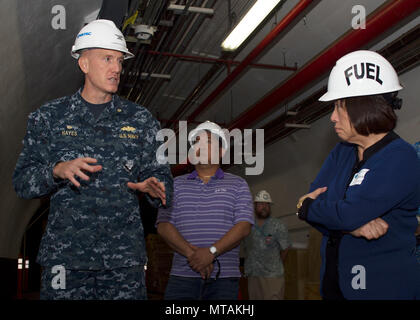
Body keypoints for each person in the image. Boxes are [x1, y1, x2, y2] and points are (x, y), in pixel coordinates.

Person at [12, 19, 173, 300]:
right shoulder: (48, 117)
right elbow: (23, 182)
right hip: (66, 260)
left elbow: (165, 183)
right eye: (107, 58)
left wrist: (154, 186)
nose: (117, 69)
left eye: (120, 61)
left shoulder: (143, 120)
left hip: (123, 263)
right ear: (84, 63)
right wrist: (56, 170)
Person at [296, 50, 420, 299]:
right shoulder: (342, 152)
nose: (332, 117)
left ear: (361, 106)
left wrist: (307, 208)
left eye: (338, 107)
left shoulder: (400, 157)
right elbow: (337, 212)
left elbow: (334, 210)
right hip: (336, 286)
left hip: (382, 290)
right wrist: (349, 227)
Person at [156, 121, 254, 300]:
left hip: (224, 278)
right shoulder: (175, 185)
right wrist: (193, 255)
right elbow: (163, 225)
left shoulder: (238, 184)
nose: (199, 146)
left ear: (222, 151)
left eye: (207, 141)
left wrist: (211, 252)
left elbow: (244, 225)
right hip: (182, 277)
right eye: (195, 142)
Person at [243, 190, 290, 300]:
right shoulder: (247, 226)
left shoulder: (278, 225)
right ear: (254, 206)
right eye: (260, 204)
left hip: (272, 276)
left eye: (267, 204)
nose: (264, 207)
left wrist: (275, 264)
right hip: (253, 275)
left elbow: (285, 248)